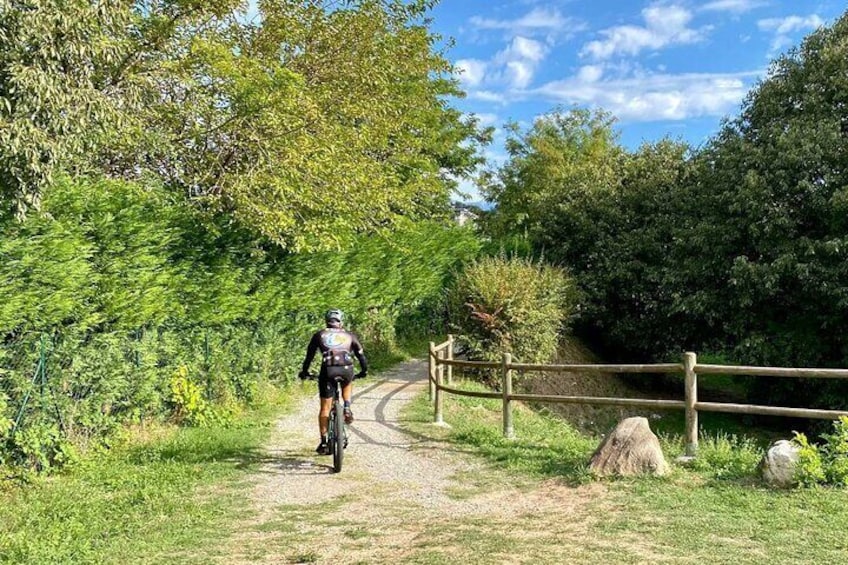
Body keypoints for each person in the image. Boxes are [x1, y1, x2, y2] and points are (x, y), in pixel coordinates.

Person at [298, 309, 368, 455]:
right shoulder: (349, 335)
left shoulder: (319, 335)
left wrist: (305, 372)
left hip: (328, 371)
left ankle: (324, 442)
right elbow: (361, 357)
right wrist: (363, 372)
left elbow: (309, 356)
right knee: (348, 382)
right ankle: (347, 406)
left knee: (325, 408)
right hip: (346, 369)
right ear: (341, 322)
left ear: (326, 321)